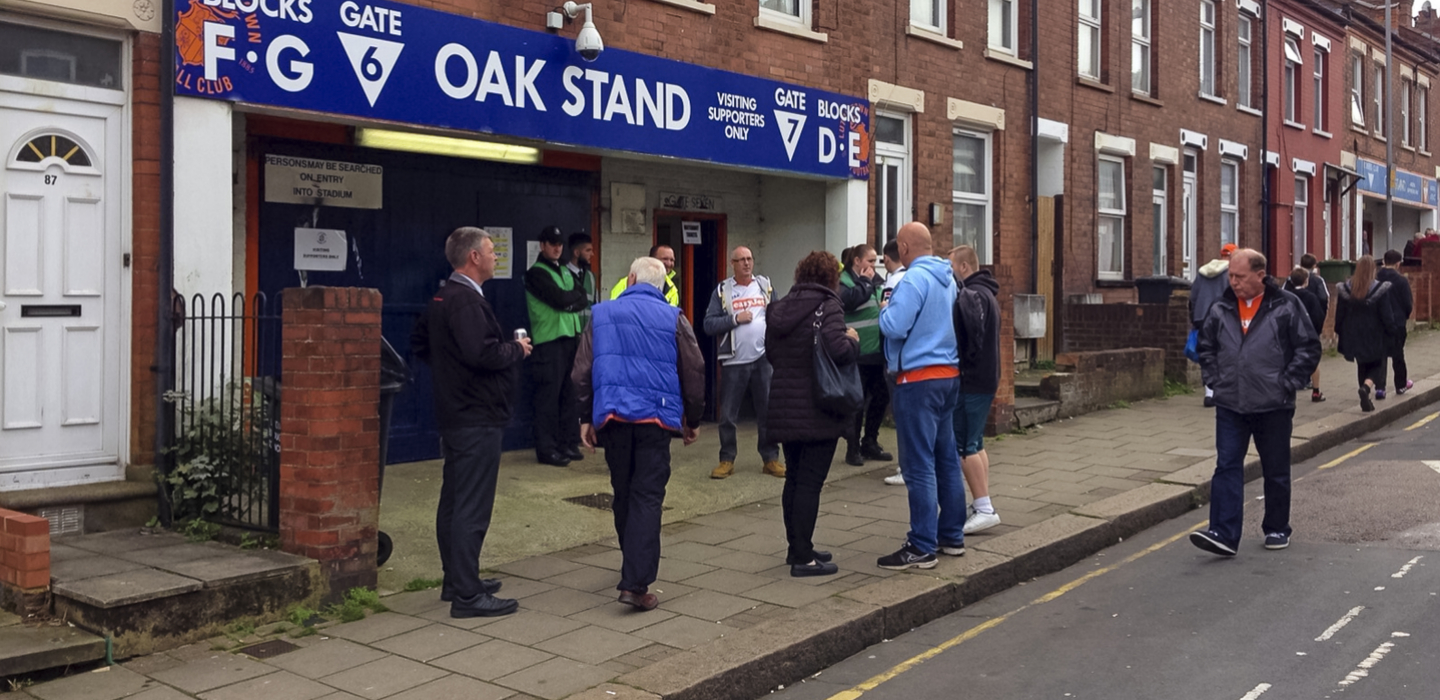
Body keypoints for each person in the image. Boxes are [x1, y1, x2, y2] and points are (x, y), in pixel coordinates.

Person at [411, 227, 531, 617]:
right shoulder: (464, 302)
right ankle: (467, 596)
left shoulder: (444, 296)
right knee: (471, 506)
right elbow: (481, 354)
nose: (496, 257)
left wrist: (450, 376)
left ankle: (457, 579)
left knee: (454, 498)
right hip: (476, 416)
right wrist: (516, 348)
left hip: (457, 413)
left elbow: (421, 344)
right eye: (492, 251)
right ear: (473, 258)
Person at [573, 257, 704, 611]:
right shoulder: (673, 316)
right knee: (647, 496)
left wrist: (586, 416)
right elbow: (694, 368)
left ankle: (631, 563)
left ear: (630, 278)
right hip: (655, 419)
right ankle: (635, 583)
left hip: (613, 417)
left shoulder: (601, 314)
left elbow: (581, 369)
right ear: (661, 286)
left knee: (623, 491)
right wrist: (693, 418)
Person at [1190, 249, 1320, 556]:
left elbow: (1308, 347)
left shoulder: (1287, 305)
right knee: (1227, 467)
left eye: (1239, 277)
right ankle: (1222, 533)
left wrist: (1287, 383)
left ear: (1260, 276)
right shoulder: (1221, 307)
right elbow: (1205, 346)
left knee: (1275, 469)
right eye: (1230, 277)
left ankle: (1276, 527)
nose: (1233, 282)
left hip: (1273, 405)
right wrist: (1213, 379)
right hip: (1231, 403)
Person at [765, 251, 861, 577]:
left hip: (784, 404)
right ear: (830, 277)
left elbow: (773, 354)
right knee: (809, 483)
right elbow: (838, 350)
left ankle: (797, 547)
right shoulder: (828, 306)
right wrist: (852, 340)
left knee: (793, 478)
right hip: (819, 406)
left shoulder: (779, 308)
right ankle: (804, 559)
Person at [877, 222, 964, 570]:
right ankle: (952, 536)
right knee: (946, 458)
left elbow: (894, 326)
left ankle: (922, 544)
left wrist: (883, 311)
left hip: (918, 379)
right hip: (948, 376)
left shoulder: (913, 280)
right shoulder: (949, 279)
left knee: (918, 464)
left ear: (904, 247)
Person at [703, 246, 784, 479]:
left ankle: (770, 458)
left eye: (749, 259)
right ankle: (726, 459)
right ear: (733, 264)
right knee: (728, 414)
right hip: (733, 361)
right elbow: (709, 324)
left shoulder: (764, 286)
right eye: (741, 260)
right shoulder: (722, 291)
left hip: (763, 358)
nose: (747, 264)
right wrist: (735, 319)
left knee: (767, 411)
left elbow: (779, 315)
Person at [525, 226, 590, 467]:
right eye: (552, 243)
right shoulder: (536, 273)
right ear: (542, 245)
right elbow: (559, 298)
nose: (557, 248)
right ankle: (547, 449)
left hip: (569, 339)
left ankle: (567, 443)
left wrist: (568, 302)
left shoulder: (564, 271)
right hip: (548, 342)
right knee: (548, 399)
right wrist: (569, 301)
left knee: (568, 395)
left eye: (560, 244)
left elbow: (582, 297)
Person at [950, 245, 1003, 534]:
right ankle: (982, 503)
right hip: (986, 378)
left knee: (964, 447)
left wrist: (964, 366)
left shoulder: (971, 295)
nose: (949, 273)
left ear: (963, 267)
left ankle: (984, 507)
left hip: (972, 380)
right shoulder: (987, 293)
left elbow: (972, 338)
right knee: (976, 444)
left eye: (950, 266)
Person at [838, 244, 893, 467]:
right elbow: (849, 301)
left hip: (877, 351)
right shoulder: (844, 281)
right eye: (870, 261)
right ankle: (852, 450)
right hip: (857, 353)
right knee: (857, 403)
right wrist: (866, 282)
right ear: (857, 261)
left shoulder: (875, 279)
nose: (874, 265)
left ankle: (870, 441)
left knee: (881, 397)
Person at [1336, 255, 1402, 412]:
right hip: (1374, 333)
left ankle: (1364, 394)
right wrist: (1392, 330)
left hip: (1353, 333)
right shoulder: (1379, 289)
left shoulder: (1346, 289)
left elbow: (1339, 315)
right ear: (1373, 270)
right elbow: (1386, 315)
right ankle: (1366, 388)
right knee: (1377, 365)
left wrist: (1340, 331)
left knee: (1362, 364)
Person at [1190, 243, 1236, 408]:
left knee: (1206, 353)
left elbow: (1193, 297)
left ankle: (1209, 392)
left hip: (1202, 317)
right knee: (1223, 351)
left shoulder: (1203, 271)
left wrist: (1194, 318)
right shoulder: (1231, 273)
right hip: (1223, 317)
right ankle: (1221, 389)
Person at [880, 239, 909, 487]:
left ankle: (906, 467)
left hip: (896, 359)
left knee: (903, 416)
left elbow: (890, 319)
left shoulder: (894, 281)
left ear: (886, 259)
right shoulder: (911, 278)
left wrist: (882, 310)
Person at [1285, 267, 1327, 403]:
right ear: (1306, 281)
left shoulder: (1286, 296)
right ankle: (1316, 392)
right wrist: (1316, 332)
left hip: (1290, 334)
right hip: (1308, 334)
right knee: (1313, 362)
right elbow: (1318, 316)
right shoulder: (1311, 297)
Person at [1376, 250, 1415, 396]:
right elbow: (1408, 304)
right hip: (1397, 322)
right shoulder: (1401, 281)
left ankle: (1380, 388)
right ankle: (1400, 385)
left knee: (1380, 356)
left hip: (1378, 322)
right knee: (1398, 355)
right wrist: (1404, 317)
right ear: (1398, 264)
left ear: (1384, 261)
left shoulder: (1375, 278)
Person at [611, 245, 680, 307]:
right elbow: (615, 307)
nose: (669, 263)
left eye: (672, 260)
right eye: (665, 259)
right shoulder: (625, 283)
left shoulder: (672, 289)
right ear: (652, 259)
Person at [567, 232, 599, 327]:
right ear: (577, 253)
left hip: (587, 334)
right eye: (588, 250)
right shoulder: (563, 273)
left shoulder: (591, 277)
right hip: (569, 334)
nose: (592, 254)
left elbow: (595, 305)